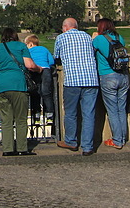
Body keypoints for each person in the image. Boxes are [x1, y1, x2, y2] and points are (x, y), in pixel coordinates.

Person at [54, 17, 99, 156]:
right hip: (91, 80)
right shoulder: (87, 36)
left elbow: (56, 56)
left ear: (65, 27)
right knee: (89, 114)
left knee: (71, 113)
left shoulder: (61, 38)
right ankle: (87, 147)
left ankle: (71, 141)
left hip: (72, 81)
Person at [0, 27, 41, 156]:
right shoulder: (21, 46)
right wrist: (39, 69)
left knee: (6, 120)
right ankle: (22, 148)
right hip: (18, 84)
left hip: (1, 85)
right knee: (20, 119)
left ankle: (7, 149)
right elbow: (29, 65)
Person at [92, 18, 129, 150]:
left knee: (112, 110)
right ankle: (123, 137)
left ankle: (117, 140)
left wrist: (93, 38)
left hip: (107, 76)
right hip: (123, 75)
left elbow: (91, 52)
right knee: (121, 109)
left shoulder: (99, 39)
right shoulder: (120, 37)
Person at [24, 34, 55, 125]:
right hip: (46, 70)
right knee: (46, 93)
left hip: (34, 71)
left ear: (30, 44)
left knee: (35, 93)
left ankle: (36, 116)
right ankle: (50, 115)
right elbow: (51, 61)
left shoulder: (28, 51)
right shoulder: (44, 49)